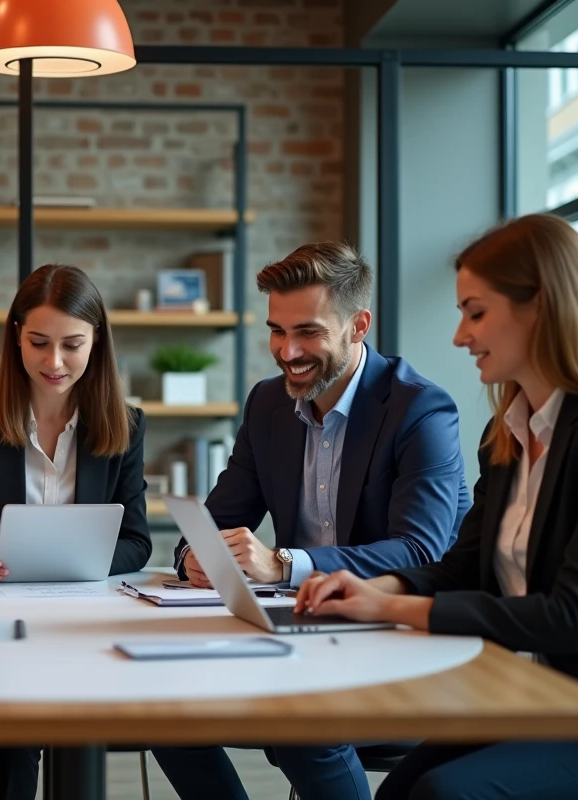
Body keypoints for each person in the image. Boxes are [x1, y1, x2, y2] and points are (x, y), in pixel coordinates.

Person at [295, 214, 578, 800]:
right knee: (400, 791)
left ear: (539, 306)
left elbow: (572, 617)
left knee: (446, 794)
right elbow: (464, 568)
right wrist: (376, 588)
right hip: (540, 695)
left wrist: (392, 610)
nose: (459, 336)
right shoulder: (508, 433)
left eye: (476, 311)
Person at [152, 242, 471, 800]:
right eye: (277, 331)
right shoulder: (268, 404)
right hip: (302, 639)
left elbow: (420, 551)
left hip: (398, 640)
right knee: (161, 710)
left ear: (358, 325)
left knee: (302, 727)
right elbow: (216, 518)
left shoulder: (420, 409)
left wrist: (281, 564)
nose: (287, 351)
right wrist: (195, 558)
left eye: (308, 333)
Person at [0, 263, 151, 799]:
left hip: (88, 621)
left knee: (76, 722)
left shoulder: (126, 423)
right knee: (15, 727)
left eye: (72, 344)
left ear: (97, 343)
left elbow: (136, 541)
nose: (55, 362)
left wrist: (85, 561)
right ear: (16, 334)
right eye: (39, 342)